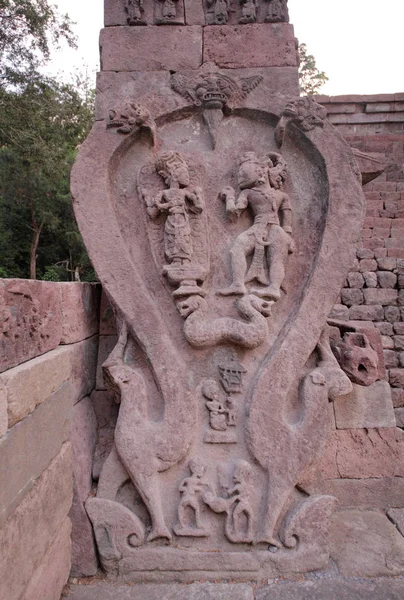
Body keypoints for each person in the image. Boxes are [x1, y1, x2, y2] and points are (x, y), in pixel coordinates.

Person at [219, 151, 294, 301]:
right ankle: (238, 284)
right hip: (258, 227)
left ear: (261, 171)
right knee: (238, 247)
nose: (241, 175)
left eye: (244, 171)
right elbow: (234, 214)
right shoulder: (248, 193)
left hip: (276, 229)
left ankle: (274, 288)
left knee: (276, 258)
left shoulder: (281, 195)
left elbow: (287, 215)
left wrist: (288, 235)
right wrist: (230, 197)